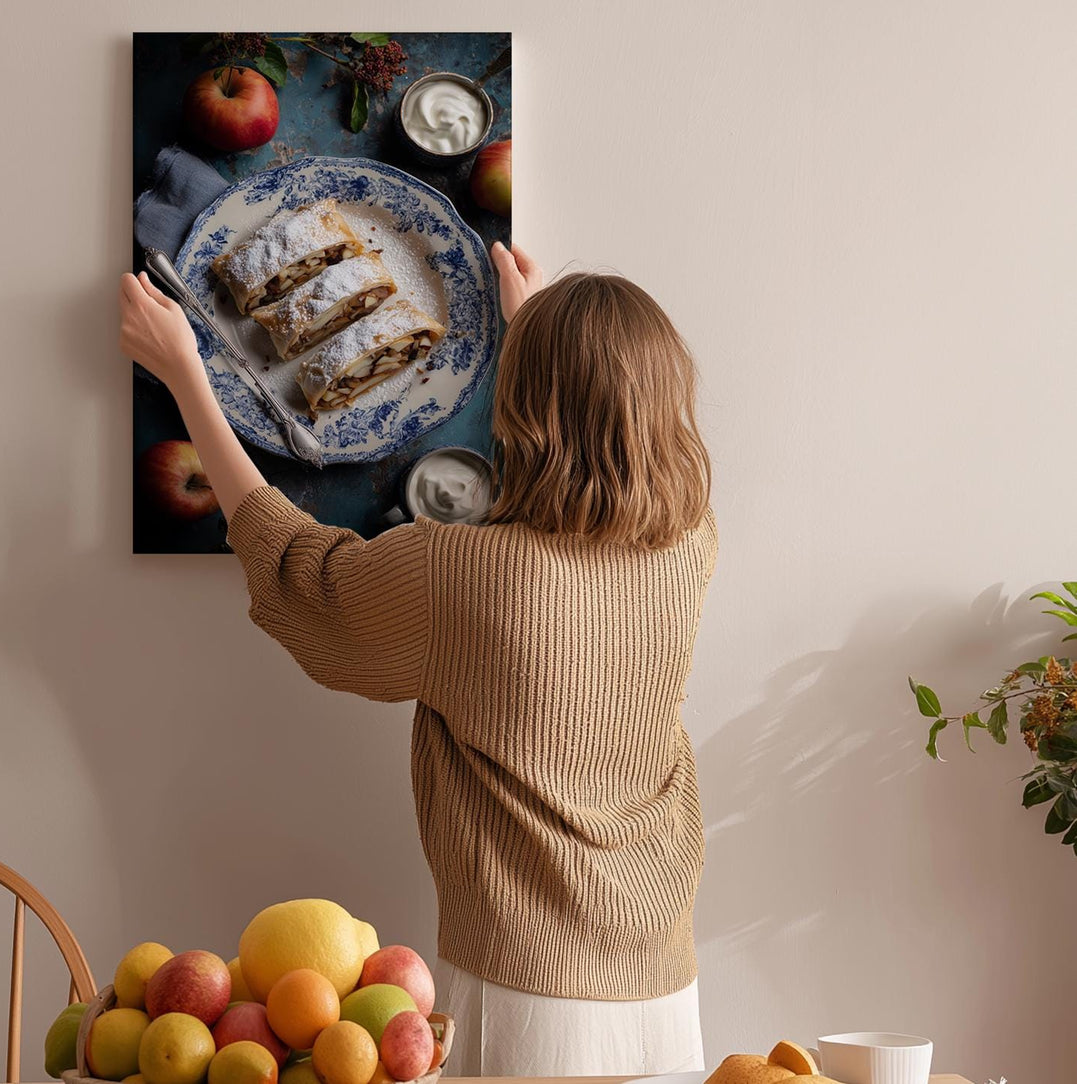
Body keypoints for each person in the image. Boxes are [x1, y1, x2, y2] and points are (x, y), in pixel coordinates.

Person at [118, 241, 716, 1076]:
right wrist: (534, 329)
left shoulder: (458, 574)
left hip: (525, 989)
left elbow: (301, 571)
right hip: (662, 977)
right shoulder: (688, 545)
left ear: (523, 402)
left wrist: (187, 375)